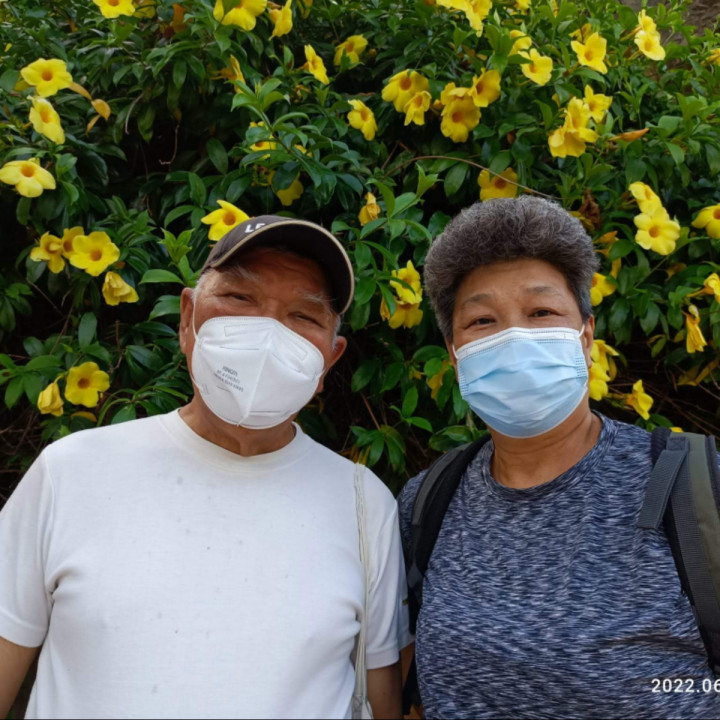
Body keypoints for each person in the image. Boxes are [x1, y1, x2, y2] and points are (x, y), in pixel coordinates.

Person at [0, 215, 410, 719]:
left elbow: (383, 701)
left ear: (329, 358)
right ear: (187, 319)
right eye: (239, 298)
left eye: (304, 316)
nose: (267, 333)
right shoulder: (70, 473)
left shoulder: (364, 506)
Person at [398, 196, 720, 719]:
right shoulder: (428, 500)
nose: (514, 337)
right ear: (455, 357)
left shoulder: (696, 485)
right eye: (482, 320)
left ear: (585, 337)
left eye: (541, 312)